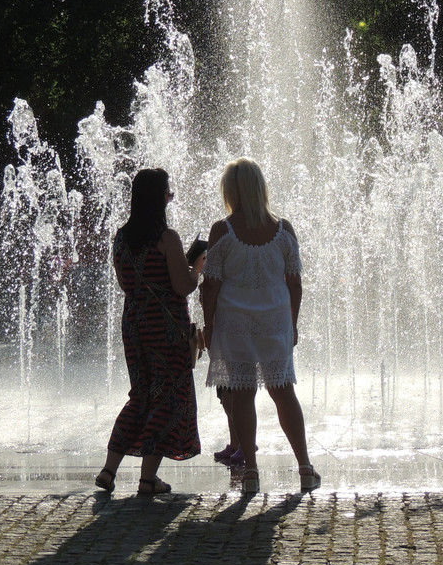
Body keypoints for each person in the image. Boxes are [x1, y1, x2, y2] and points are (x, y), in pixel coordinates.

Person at [200, 157, 320, 493]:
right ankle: (305, 466)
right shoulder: (283, 230)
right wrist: (292, 324)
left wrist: (208, 327)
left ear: (231, 191)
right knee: (283, 393)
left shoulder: (222, 230)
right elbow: (295, 282)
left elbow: (210, 284)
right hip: (275, 322)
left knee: (243, 393)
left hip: (235, 322)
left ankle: (251, 470)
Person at [95, 168, 204, 495]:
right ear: (158, 197)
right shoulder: (166, 238)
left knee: (141, 395)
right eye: (169, 192)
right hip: (165, 326)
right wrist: (196, 267)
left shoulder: (121, 238)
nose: (172, 197)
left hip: (134, 323)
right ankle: (146, 478)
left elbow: (125, 283)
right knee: (168, 396)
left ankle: (108, 470)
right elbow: (182, 286)